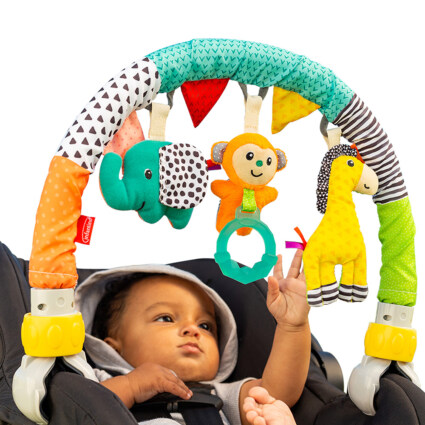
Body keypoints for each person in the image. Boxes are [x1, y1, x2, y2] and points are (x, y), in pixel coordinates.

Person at [75, 250, 310, 425]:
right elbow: (75, 413)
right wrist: (130, 386)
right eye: (166, 318)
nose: (192, 330)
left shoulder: (220, 395)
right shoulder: (98, 382)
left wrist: (292, 326)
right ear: (113, 347)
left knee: (272, 410)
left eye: (205, 325)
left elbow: (277, 392)